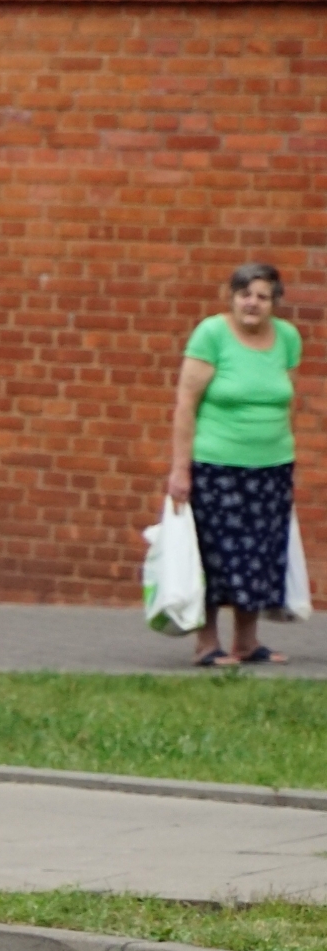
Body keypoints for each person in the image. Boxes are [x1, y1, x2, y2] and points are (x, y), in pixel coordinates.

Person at [168, 264, 303, 667]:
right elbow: (185, 406)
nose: (252, 303)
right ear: (231, 297)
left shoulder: (287, 338)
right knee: (216, 552)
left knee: (260, 554)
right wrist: (180, 469)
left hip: (272, 467)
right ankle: (207, 645)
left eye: (262, 296)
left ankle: (247, 642)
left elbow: (287, 399)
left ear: (274, 302)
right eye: (245, 294)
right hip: (217, 465)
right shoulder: (212, 335)